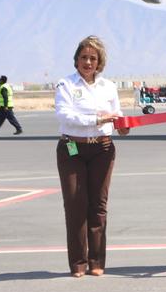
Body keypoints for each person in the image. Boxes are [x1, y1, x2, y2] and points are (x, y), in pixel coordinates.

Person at [54, 36, 128, 277]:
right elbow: (65, 116)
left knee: (98, 206)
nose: (88, 62)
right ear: (76, 60)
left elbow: (116, 115)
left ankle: (96, 261)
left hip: (102, 149)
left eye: (93, 58)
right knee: (75, 204)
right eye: (84, 57)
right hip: (72, 149)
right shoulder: (66, 85)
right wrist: (96, 119)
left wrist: (123, 125)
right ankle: (78, 263)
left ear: (100, 62)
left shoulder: (108, 87)